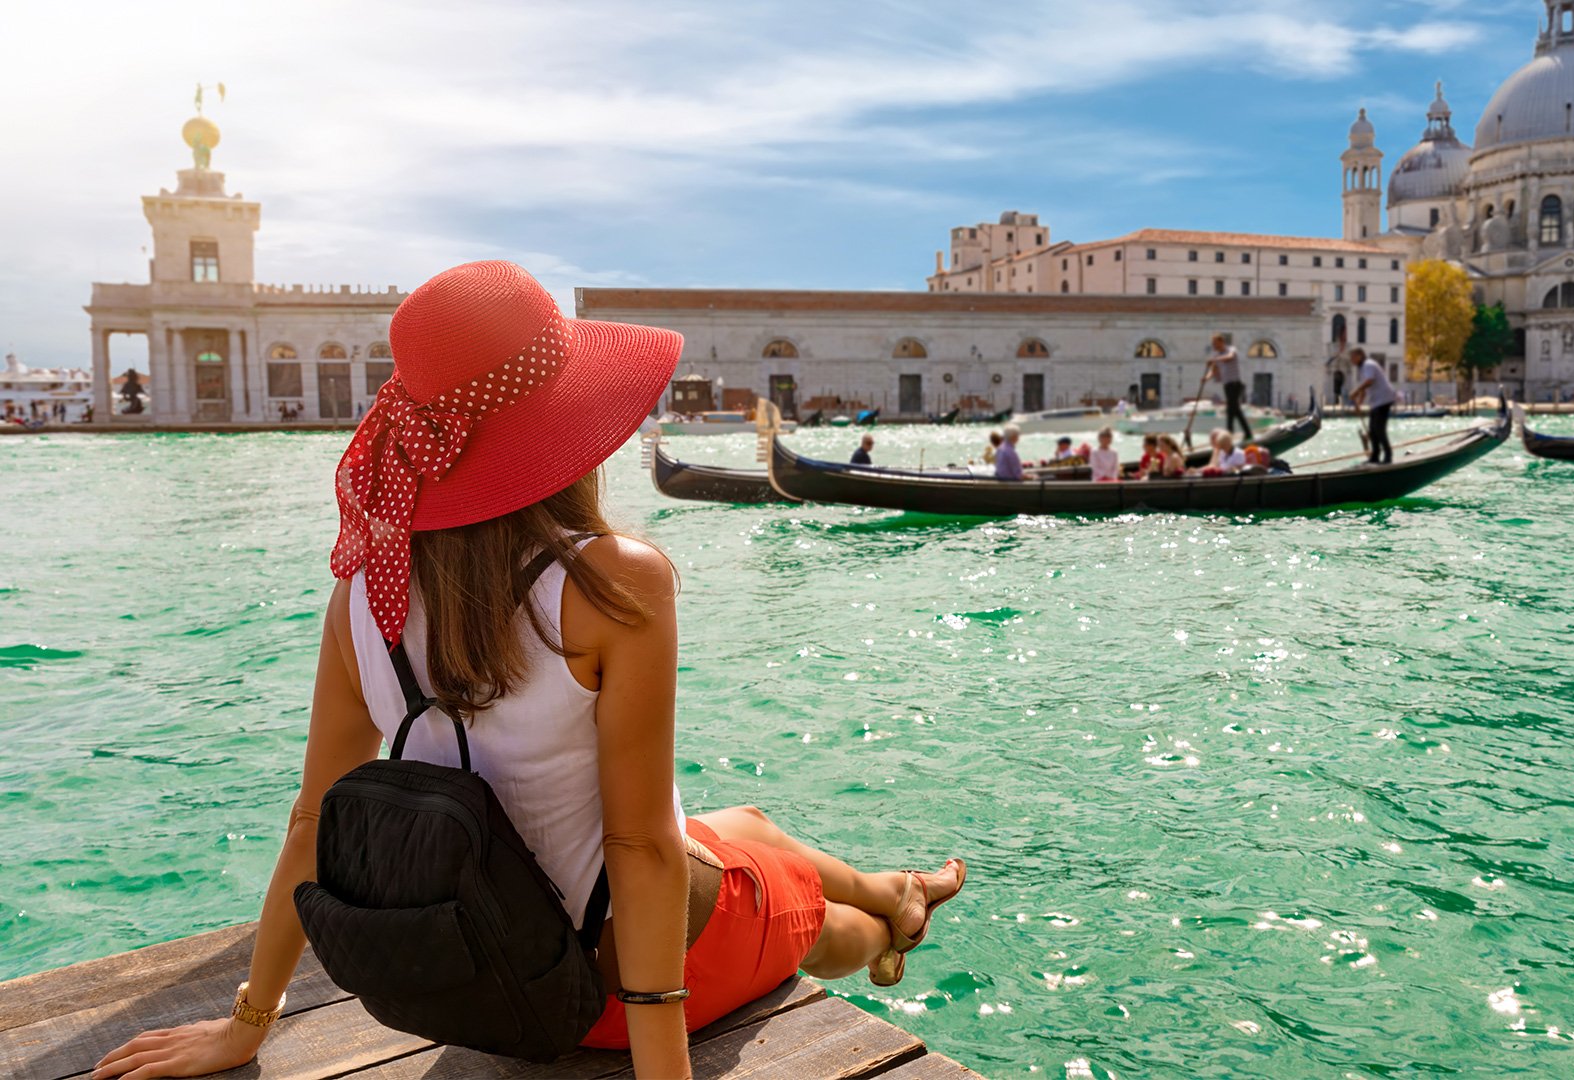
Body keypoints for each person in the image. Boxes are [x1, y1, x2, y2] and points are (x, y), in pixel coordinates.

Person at [93, 262, 964, 1080]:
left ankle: (898, 886)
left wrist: (247, 1024)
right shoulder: (612, 580)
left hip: (480, 975)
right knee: (812, 911)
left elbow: (311, 819)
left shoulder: (361, 592)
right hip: (601, 995)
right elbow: (640, 849)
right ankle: (887, 925)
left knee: (749, 823)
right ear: (563, 426)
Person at [1347, 348, 1397, 464]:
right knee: (1372, 430)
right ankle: (1375, 456)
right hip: (1376, 402)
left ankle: (1388, 456)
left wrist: (1355, 391)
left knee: (1379, 429)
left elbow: (1369, 381)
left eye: (1353, 357)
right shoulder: (1362, 368)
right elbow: (1364, 387)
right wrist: (1359, 403)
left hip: (1384, 399)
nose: (1351, 360)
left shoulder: (1368, 365)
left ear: (1359, 356)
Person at [1205, 334, 1252, 441]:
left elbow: (1229, 357)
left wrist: (1214, 359)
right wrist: (1206, 378)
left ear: (1221, 342)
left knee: (1231, 409)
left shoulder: (1231, 349)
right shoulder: (1217, 355)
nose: (1213, 346)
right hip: (1227, 385)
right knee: (1234, 409)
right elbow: (1214, 370)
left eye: (1215, 343)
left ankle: (1229, 434)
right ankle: (1246, 433)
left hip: (1236, 384)